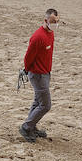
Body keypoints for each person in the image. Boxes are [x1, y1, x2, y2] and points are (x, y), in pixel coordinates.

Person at [19, 8, 59, 141]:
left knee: (38, 101)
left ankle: (31, 125)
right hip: (38, 75)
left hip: (45, 73)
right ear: (46, 20)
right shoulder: (38, 37)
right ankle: (26, 127)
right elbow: (28, 57)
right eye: (53, 21)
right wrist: (27, 69)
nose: (55, 24)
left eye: (57, 21)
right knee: (45, 105)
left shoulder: (51, 33)